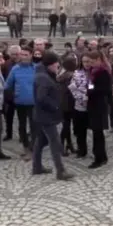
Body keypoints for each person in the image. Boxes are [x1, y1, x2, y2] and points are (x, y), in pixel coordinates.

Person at [32, 52, 74, 180]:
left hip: (43, 115)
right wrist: (55, 106)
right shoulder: (43, 78)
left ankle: (37, 167)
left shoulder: (45, 74)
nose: (58, 66)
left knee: (41, 141)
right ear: (51, 64)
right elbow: (41, 97)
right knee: (54, 142)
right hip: (46, 116)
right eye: (56, 63)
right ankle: (60, 171)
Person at [4, 46, 37, 160]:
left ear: (31, 55)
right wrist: (13, 95)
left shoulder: (36, 68)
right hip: (20, 102)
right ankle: (26, 147)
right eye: (21, 55)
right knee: (22, 125)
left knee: (34, 126)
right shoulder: (15, 69)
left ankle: (33, 148)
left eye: (25, 55)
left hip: (33, 102)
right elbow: (7, 85)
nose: (23, 57)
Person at [86, 51, 110, 168]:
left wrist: (91, 90)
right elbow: (90, 85)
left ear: (99, 60)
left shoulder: (103, 72)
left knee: (98, 133)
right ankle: (102, 156)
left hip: (99, 105)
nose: (91, 64)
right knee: (97, 132)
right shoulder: (92, 72)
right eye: (90, 62)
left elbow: (105, 90)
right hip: (92, 104)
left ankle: (99, 158)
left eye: (93, 61)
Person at [57, 57, 77, 156]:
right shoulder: (70, 76)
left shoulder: (62, 75)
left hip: (64, 102)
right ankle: (61, 146)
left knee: (67, 125)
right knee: (66, 126)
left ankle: (69, 144)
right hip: (68, 103)